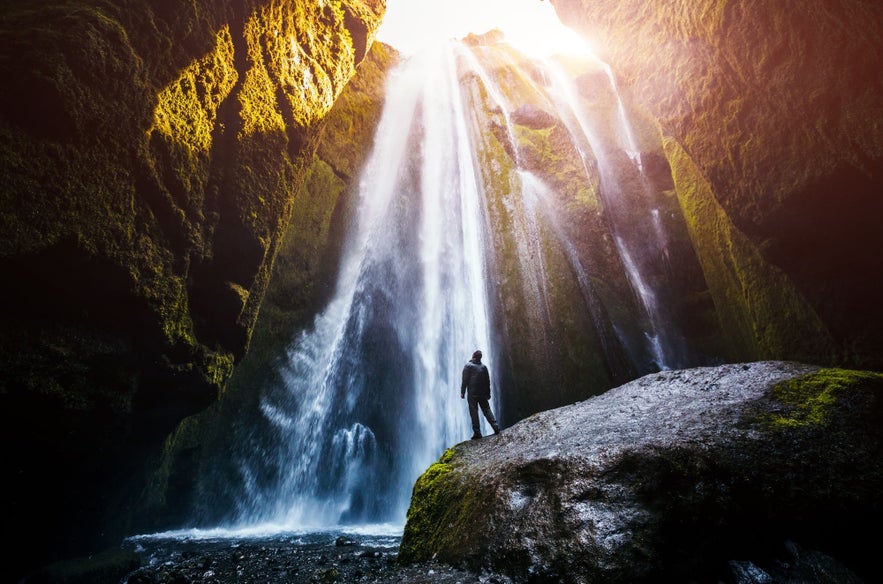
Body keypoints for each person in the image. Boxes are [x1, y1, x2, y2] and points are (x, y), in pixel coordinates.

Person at [460, 350, 501, 440]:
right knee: (487, 410)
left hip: (472, 394)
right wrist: (488, 393)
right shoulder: (484, 367)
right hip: (482, 393)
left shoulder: (468, 366)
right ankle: (496, 427)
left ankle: (477, 433)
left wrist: (462, 392)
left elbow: (465, 381)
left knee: (474, 413)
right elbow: (487, 382)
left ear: (473, 356)